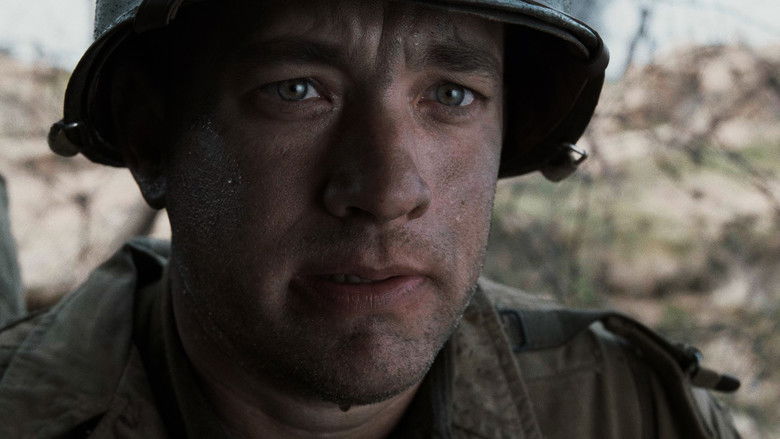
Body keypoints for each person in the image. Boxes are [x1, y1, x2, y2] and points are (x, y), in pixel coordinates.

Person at [0, 0, 741, 437]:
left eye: (452, 95)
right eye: (296, 89)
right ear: (149, 131)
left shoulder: (631, 412)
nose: (388, 190)